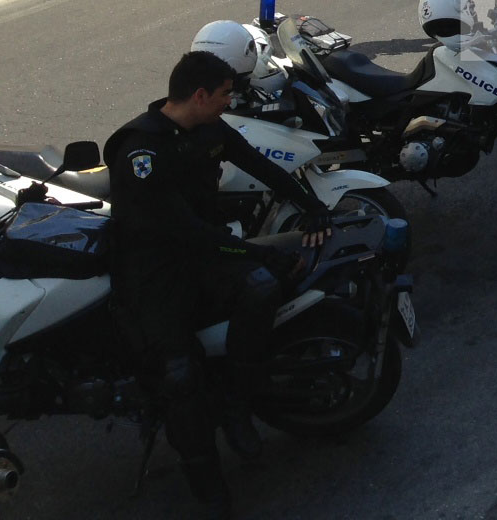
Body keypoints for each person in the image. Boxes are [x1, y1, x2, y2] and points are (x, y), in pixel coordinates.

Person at [107, 50, 333, 515]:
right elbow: (184, 232)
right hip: (156, 270)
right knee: (180, 375)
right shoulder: (140, 151)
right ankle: (207, 482)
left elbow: (260, 165)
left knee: (264, 286)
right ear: (200, 95)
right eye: (226, 94)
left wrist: (310, 204)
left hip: (203, 252)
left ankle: (236, 405)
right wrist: (257, 251)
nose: (231, 102)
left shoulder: (208, 128)